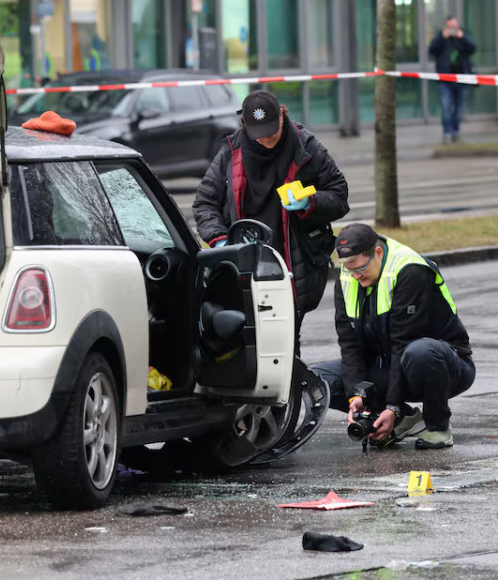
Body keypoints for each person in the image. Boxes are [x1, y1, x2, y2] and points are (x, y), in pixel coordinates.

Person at [192, 90, 349, 330]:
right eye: (258, 134)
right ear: (245, 125)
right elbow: (205, 203)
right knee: (249, 342)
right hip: (245, 265)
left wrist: (310, 202)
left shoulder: (306, 146)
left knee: (286, 341)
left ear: (282, 116)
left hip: (293, 266)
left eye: (271, 130)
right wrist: (222, 241)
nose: (266, 139)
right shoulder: (231, 151)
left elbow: (339, 195)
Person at [315, 223, 475, 449]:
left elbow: (403, 342)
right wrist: (356, 396)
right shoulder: (348, 275)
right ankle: (399, 420)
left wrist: (393, 405)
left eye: (359, 268)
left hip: (445, 365)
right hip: (390, 365)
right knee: (317, 379)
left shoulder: (410, 271)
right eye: (349, 269)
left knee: (420, 352)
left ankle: (438, 427)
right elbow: (350, 344)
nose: (355, 275)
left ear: (377, 253)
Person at [428, 16, 476, 144]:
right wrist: (442, 37)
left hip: (462, 79)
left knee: (459, 109)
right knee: (446, 107)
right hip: (445, 80)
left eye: (454, 27)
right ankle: (447, 132)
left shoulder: (463, 37)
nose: (452, 30)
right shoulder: (441, 38)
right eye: (450, 27)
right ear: (445, 27)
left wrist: (462, 37)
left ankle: (456, 131)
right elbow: (432, 50)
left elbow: (473, 48)